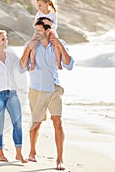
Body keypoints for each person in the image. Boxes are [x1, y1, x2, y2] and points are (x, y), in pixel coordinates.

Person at [19, 18, 74, 170]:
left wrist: (61, 46)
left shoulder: (58, 43)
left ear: (48, 30)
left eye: (39, 31)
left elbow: (69, 65)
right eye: (34, 30)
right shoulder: (30, 44)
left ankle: (59, 159)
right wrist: (28, 49)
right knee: (36, 124)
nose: (36, 34)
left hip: (54, 88)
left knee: (58, 122)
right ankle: (32, 151)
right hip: (36, 89)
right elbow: (22, 67)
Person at [0, 29, 27, 163]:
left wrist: (30, 49)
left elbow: (22, 67)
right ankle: (0, 152)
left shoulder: (11, 56)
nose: (6, 41)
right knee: (0, 125)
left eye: (6, 39)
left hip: (12, 94)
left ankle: (19, 153)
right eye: (3, 39)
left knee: (17, 124)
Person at [30, 0, 63, 70]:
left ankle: (58, 62)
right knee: (33, 44)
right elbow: (34, 25)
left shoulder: (53, 14)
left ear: (47, 4)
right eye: (37, 5)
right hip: (40, 31)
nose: (38, 7)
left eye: (40, 5)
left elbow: (55, 27)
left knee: (56, 43)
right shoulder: (38, 14)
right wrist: (38, 23)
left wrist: (49, 23)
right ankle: (32, 63)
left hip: (50, 31)